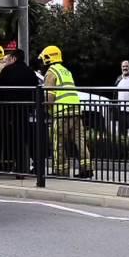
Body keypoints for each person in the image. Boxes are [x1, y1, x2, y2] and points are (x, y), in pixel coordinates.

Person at [39, 45, 92, 178]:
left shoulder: (51, 72)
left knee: (58, 141)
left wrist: (44, 108)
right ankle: (87, 168)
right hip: (76, 109)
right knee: (80, 140)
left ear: (47, 58)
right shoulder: (66, 71)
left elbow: (49, 96)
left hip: (62, 112)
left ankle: (61, 170)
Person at [0, 49, 39, 177]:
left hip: (8, 110)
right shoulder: (30, 72)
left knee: (11, 139)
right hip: (24, 110)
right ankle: (23, 168)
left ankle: (10, 166)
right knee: (24, 139)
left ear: (14, 58)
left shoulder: (7, 70)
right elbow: (36, 90)